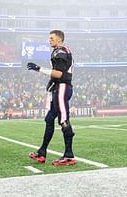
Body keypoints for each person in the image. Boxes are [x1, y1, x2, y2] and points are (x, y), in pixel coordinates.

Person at [26, 30, 76, 165]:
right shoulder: (58, 50)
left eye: (52, 38)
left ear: (59, 39)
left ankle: (69, 155)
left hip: (63, 87)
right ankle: (42, 152)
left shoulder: (61, 52)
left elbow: (59, 74)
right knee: (49, 119)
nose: (49, 40)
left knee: (64, 120)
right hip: (58, 87)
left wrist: (38, 68)